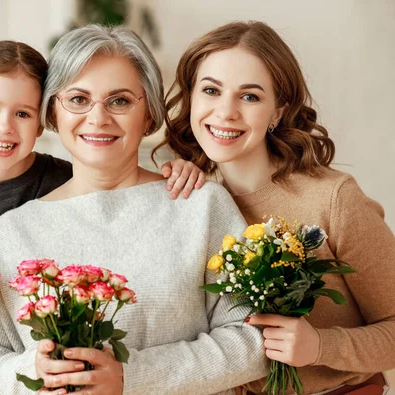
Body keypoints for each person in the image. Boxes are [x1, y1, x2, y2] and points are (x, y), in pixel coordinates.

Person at [0, 24, 267, 395]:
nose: (98, 117)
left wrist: (131, 377)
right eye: (78, 99)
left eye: (119, 101)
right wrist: (33, 372)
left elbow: (255, 339)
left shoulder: (201, 206)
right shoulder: (14, 231)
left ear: (149, 114)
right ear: (52, 113)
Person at [0, 39, 202, 394]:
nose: (5, 126)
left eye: (22, 113)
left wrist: (179, 171)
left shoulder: (66, 175)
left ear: (41, 120)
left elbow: (116, 181)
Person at [158, 20, 395, 394]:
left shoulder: (333, 199)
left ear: (278, 112)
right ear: (192, 99)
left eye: (249, 96)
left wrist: (321, 346)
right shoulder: (188, 201)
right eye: (211, 90)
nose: (225, 112)